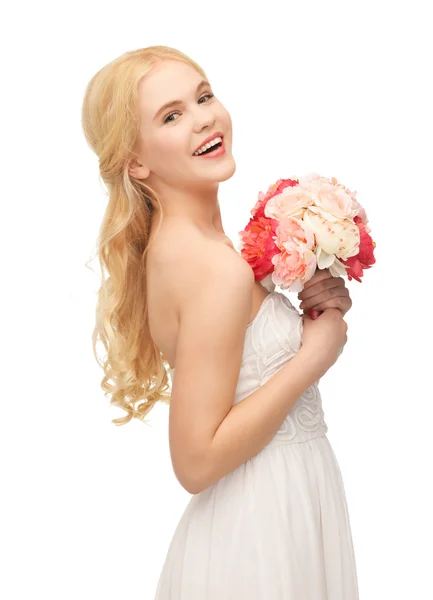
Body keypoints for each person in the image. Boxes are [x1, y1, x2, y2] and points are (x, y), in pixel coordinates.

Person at [82, 45, 359, 599]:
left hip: (278, 501)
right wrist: (313, 356)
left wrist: (312, 307)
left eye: (203, 96)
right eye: (171, 115)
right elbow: (195, 459)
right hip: (260, 527)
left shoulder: (192, 248)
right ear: (136, 162)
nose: (203, 116)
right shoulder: (211, 267)